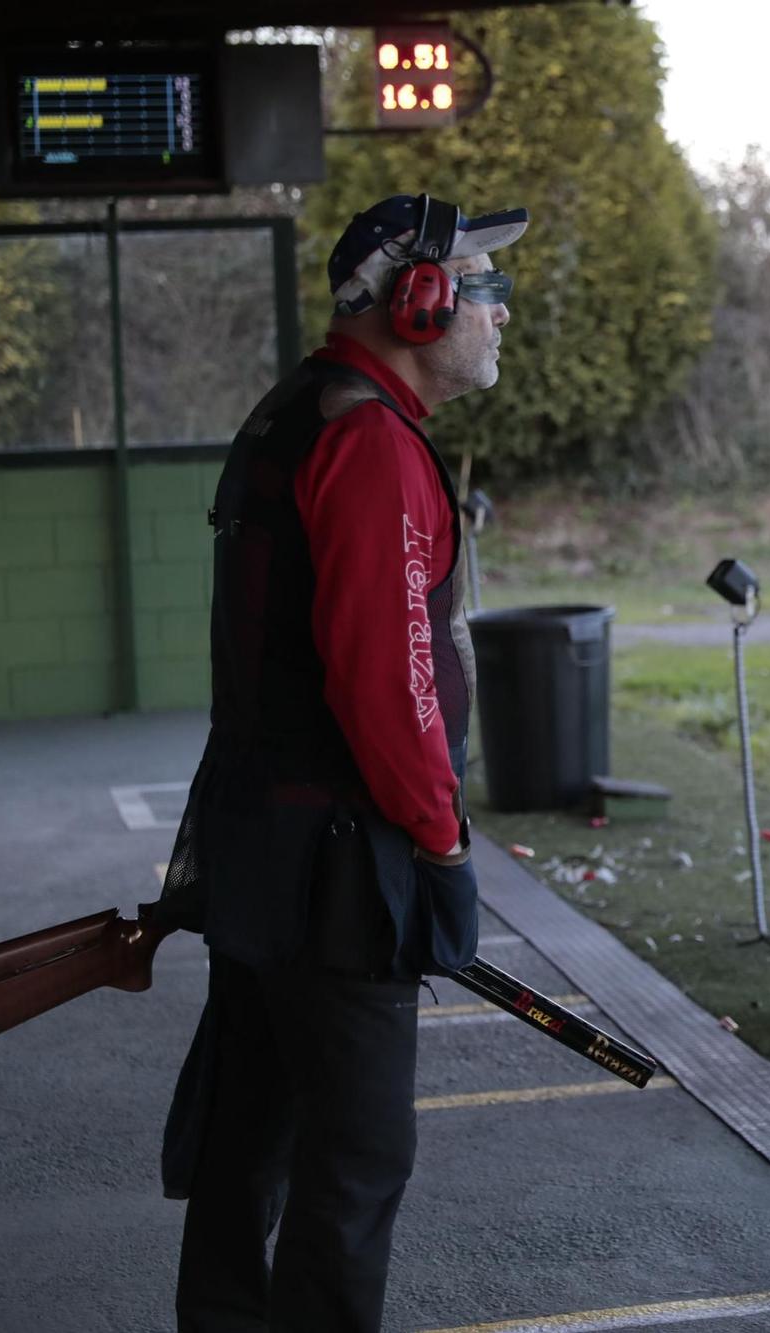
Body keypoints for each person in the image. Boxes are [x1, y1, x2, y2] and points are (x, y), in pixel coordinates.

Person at [155, 192, 526, 1332]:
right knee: (358, 1156)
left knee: (251, 1137)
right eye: (481, 284)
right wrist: (442, 836)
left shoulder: (304, 411)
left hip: (267, 840)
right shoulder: (366, 440)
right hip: (334, 861)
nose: (501, 311)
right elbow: (391, 681)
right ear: (417, 300)